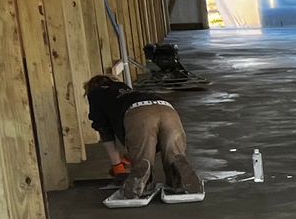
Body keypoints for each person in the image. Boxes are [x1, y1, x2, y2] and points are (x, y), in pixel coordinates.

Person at [83, 73, 205, 206]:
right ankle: (177, 174)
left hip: (138, 114)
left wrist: (117, 166)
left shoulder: (95, 94)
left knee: (143, 161)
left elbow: (105, 133)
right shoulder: (125, 89)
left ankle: (144, 182)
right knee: (174, 156)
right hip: (167, 109)